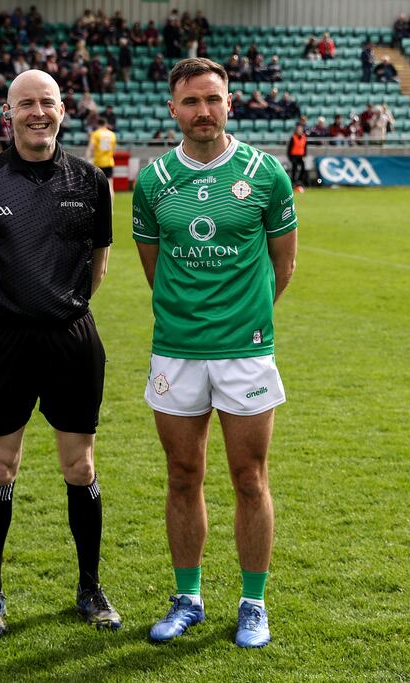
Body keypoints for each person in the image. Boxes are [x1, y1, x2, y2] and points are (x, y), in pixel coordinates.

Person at [0, 69, 119, 640]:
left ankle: (89, 585)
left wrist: (56, 306)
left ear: (63, 110)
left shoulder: (91, 181)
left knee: (81, 465)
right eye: (26, 104)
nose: (37, 112)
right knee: (0, 466)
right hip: (5, 340)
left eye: (47, 102)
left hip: (70, 337)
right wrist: (14, 309)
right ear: (7, 112)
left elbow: (98, 264)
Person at [132, 57, 297, 649]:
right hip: (176, 350)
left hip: (245, 351)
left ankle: (253, 603)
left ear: (230, 103)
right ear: (173, 109)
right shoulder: (152, 182)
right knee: (182, 476)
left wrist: (244, 317)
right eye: (191, 102)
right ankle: (189, 597)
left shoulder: (266, 173)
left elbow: (285, 264)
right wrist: (190, 313)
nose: (203, 111)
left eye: (213, 99)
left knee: (249, 478)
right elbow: (155, 268)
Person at [85, 117, 117, 203]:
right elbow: (114, 151)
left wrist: (86, 160)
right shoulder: (112, 134)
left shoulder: (96, 134)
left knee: (96, 186)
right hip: (109, 162)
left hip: (98, 163)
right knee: (110, 186)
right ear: (106, 124)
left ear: (97, 124)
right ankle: (111, 208)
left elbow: (90, 148)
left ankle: (98, 207)